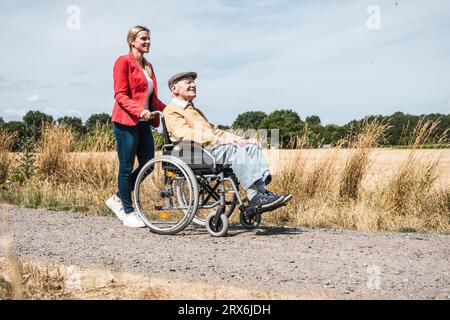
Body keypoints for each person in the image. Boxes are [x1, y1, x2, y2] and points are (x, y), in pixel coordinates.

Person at [162, 72, 291, 211]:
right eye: (188, 82)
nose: (193, 85)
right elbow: (185, 134)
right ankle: (254, 196)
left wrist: (242, 139)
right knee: (235, 150)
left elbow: (215, 131)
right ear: (174, 89)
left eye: (193, 82)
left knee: (251, 147)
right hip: (193, 153)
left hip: (208, 151)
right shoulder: (171, 111)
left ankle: (261, 192)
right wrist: (219, 140)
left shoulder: (194, 110)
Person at [106, 25, 166, 228]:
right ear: (132, 41)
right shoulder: (123, 62)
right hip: (126, 122)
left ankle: (116, 198)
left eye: (149, 39)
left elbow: (153, 100)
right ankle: (128, 211)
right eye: (143, 38)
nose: (148, 42)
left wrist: (174, 110)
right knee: (125, 167)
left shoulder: (148, 67)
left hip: (144, 123)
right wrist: (139, 110)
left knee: (148, 164)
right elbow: (120, 95)